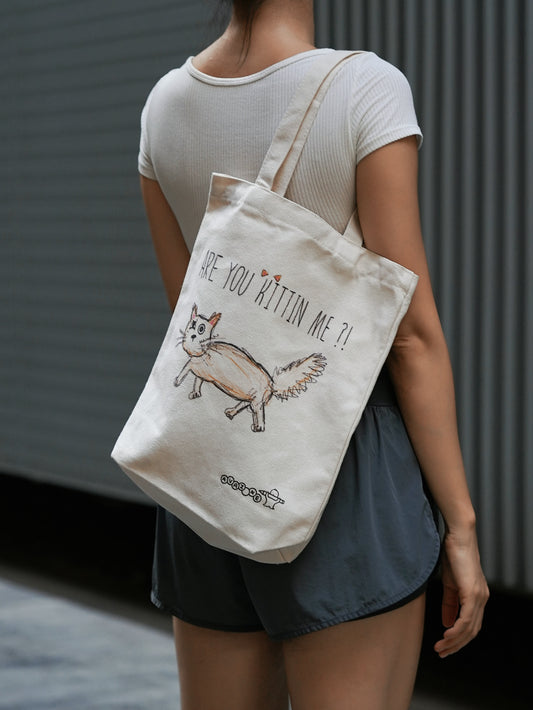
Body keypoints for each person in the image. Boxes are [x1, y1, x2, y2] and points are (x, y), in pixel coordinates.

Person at [137, 1, 489, 708]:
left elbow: (188, 313)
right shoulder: (364, 88)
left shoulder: (165, 104)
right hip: (345, 474)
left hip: (206, 474)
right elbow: (410, 337)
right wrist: (461, 525)